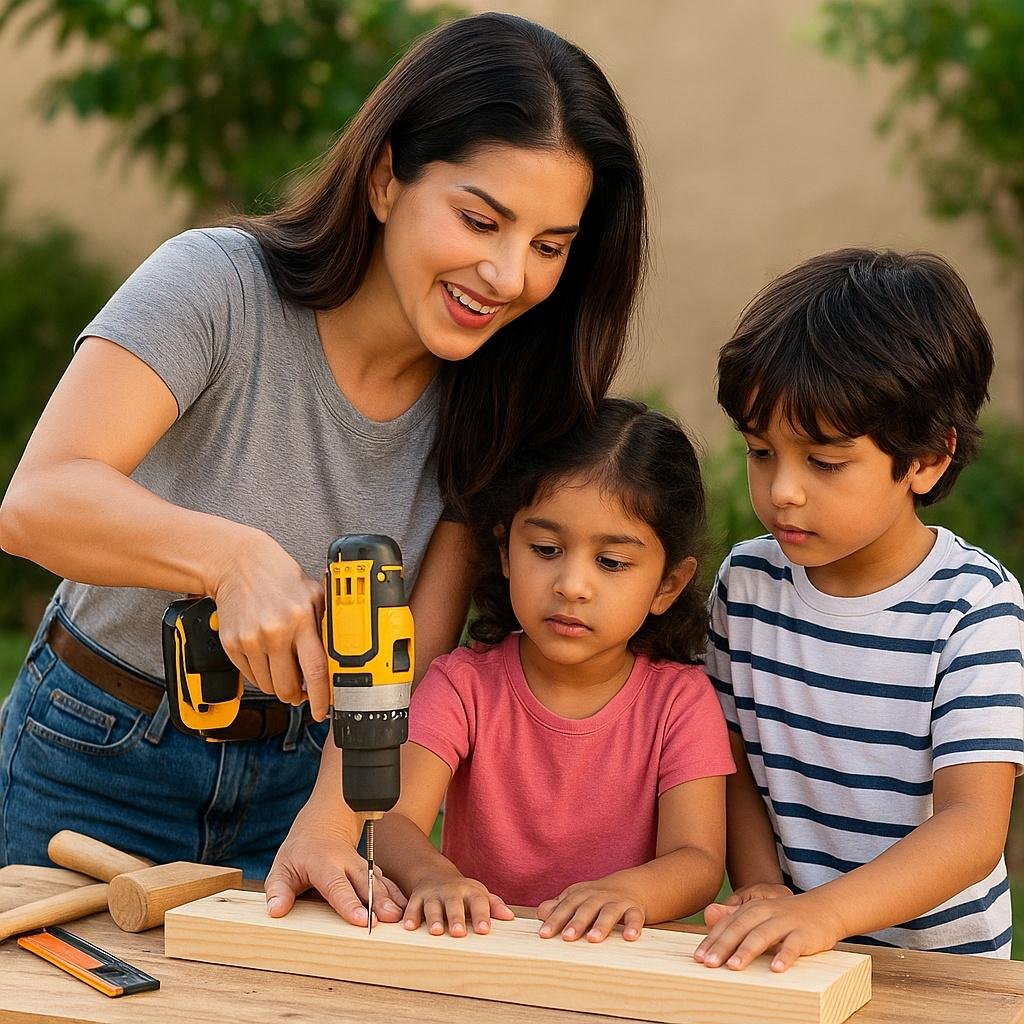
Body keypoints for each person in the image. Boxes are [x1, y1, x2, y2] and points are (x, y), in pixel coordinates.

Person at [0, 13, 649, 928]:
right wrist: (230, 559)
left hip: (310, 778)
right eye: (479, 219)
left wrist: (331, 821)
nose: (507, 274)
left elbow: (414, 641)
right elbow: (37, 502)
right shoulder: (217, 285)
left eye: (549, 245)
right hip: (101, 747)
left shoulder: (503, 391)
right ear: (387, 178)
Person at [696, 249, 1024, 973]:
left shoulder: (973, 608)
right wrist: (758, 884)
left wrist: (828, 911)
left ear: (928, 460)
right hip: (796, 958)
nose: (782, 490)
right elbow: (733, 762)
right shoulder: (747, 584)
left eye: (824, 461)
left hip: (943, 976)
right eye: (759, 452)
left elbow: (973, 827)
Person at [374, 398, 735, 941]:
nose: (572, 584)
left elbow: (699, 860)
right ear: (503, 551)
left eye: (611, 562)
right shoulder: (462, 685)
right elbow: (393, 820)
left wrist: (628, 893)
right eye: (545, 548)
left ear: (668, 585)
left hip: (620, 968)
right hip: (480, 952)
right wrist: (433, 878)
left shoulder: (681, 701)